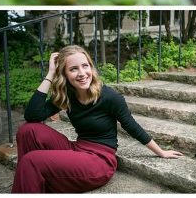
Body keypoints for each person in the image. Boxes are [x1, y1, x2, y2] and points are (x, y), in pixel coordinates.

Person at [12, 45, 182, 193]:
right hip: (78, 148)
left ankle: (29, 183)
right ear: (64, 73)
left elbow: (132, 126)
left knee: (31, 161)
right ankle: (31, 185)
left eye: (85, 66)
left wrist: (161, 152)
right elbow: (32, 116)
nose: (82, 73)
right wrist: (50, 73)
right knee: (27, 130)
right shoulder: (68, 95)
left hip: (99, 161)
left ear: (91, 67)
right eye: (73, 69)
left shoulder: (109, 97)